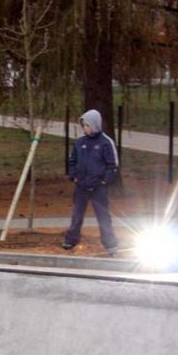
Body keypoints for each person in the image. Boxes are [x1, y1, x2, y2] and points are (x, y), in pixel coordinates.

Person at [62, 109, 119, 255]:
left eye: (87, 125)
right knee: (77, 215)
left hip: (98, 187)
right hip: (81, 186)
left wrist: (105, 181)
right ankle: (71, 240)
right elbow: (72, 160)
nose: (84, 128)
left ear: (94, 124)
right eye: (83, 126)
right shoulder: (80, 142)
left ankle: (110, 243)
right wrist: (74, 176)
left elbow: (112, 165)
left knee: (103, 216)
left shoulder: (106, 143)